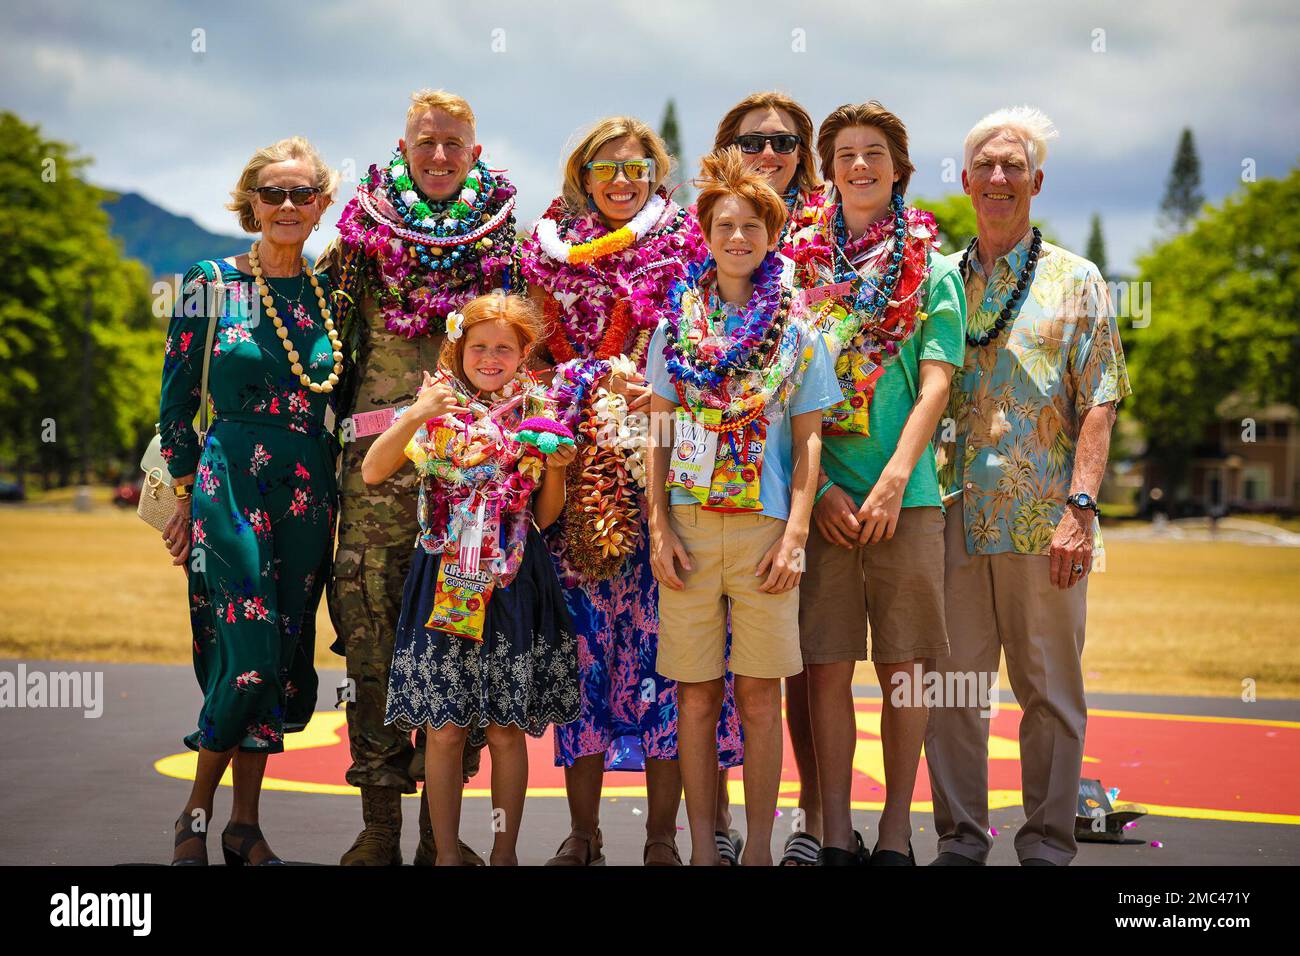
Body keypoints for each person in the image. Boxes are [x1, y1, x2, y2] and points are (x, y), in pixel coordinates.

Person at [521, 117, 744, 866]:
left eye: (637, 168)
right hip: (572, 476)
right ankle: (581, 836)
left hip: (667, 478)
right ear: (582, 177)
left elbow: (714, 342)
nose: (621, 181)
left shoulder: (687, 244)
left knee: (665, 664)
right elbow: (526, 352)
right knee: (581, 664)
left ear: (657, 176)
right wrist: (570, 393)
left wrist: (656, 388)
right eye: (605, 168)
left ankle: (659, 838)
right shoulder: (543, 251)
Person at [320, 88, 522, 866]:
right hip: (374, 482)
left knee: (459, 647)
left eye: (453, 144)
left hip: (469, 488)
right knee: (369, 646)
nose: (439, 156)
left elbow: (522, 357)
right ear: (403, 149)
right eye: (425, 142)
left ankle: (445, 837)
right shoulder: (361, 240)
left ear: (475, 152)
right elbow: (327, 364)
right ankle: (378, 830)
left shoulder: (504, 247)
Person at [926, 106, 1130, 866]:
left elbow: (1100, 398)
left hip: (1044, 521)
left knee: (1048, 691)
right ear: (966, 180)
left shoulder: (1076, 280)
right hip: (948, 519)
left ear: (1037, 181)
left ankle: (1046, 842)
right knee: (951, 694)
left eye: (1014, 166)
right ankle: (960, 842)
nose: (1000, 177)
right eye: (986, 164)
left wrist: (1080, 508)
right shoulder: (938, 281)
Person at [646, 148, 842, 865]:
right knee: (695, 698)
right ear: (705, 234)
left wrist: (794, 535)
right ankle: (706, 848)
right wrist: (658, 525)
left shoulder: (797, 330)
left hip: (763, 532)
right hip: (691, 530)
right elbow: (659, 432)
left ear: (771, 237)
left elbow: (810, 440)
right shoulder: (675, 327)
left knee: (760, 697)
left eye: (752, 228)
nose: (738, 239)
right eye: (725, 225)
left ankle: (758, 849)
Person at [787, 102, 967, 865]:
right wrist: (821, 484)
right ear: (828, 169)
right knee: (825, 667)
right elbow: (777, 381)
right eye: (846, 155)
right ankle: (833, 830)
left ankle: (895, 829)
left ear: (900, 170)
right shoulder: (794, 264)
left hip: (908, 501)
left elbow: (936, 382)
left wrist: (896, 477)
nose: (859, 166)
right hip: (821, 496)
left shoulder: (934, 265)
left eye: (875, 154)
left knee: (904, 671)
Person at [159, 136, 340, 865]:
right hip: (227, 481)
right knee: (250, 648)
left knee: (285, 649)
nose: (288, 206)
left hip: (308, 493)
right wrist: (180, 498)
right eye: (274, 194)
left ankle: (245, 827)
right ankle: (193, 817)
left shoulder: (332, 295)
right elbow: (175, 408)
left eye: (303, 194)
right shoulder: (206, 280)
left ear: (323, 203)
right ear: (250, 203)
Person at [364, 292, 581, 866]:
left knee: (507, 727)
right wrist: (416, 413)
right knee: (444, 728)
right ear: (459, 349)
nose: (490, 358)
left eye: (503, 349)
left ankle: (504, 851)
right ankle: (446, 858)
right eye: (479, 347)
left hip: (512, 577)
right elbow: (372, 468)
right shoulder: (434, 406)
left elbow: (548, 515)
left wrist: (555, 469)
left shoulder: (540, 409)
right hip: (447, 572)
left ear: (523, 353)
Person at [711, 92, 828, 863]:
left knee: (806, 666)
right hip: (712, 489)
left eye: (786, 140)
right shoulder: (702, 240)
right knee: (713, 676)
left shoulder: (829, 241)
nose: (771, 150)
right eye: (754, 139)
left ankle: (811, 826)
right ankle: (717, 827)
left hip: (815, 472)